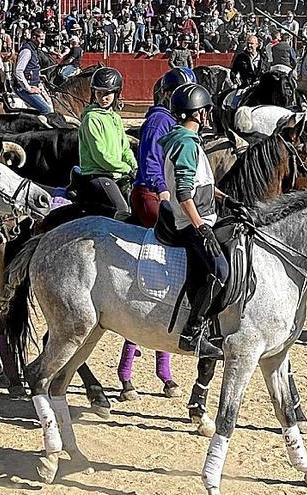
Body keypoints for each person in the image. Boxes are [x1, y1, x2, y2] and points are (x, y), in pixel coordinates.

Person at [117, 68, 195, 400]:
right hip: (150, 195)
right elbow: (150, 164)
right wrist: (165, 195)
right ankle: (133, 369)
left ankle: (162, 369)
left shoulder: (177, 125)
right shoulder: (159, 121)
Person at [159, 82, 233, 355]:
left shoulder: (185, 141)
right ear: (199, 114)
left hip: (202, 216)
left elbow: (199, 179)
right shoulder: (187, 144)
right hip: (192, 222)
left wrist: (224, 197)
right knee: (221, 271)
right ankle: (192, 331)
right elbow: (183, 193)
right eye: (205, 110)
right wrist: (200, 227)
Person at [73, 67, 137, 216]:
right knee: (122, 210)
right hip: (97, 175)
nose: (103, 98)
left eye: (107, 93)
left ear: (116, 93)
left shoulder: (116, 118)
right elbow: (100, 156)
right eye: (99, 93)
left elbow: (125, 149)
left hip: (116, 174)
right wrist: (127, 169)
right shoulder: (91, 119)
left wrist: (135, 166)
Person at [13, 28, 51, 114]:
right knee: (46, 110)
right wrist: (28, 88)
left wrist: (39, 75)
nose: (43, 42)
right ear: (34, 37)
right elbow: (18, 71)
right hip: (23, 88)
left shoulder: (34, 49)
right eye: (41, 39)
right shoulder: (27, 51)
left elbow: (31, 68)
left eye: (43, 39)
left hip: (34, 84)